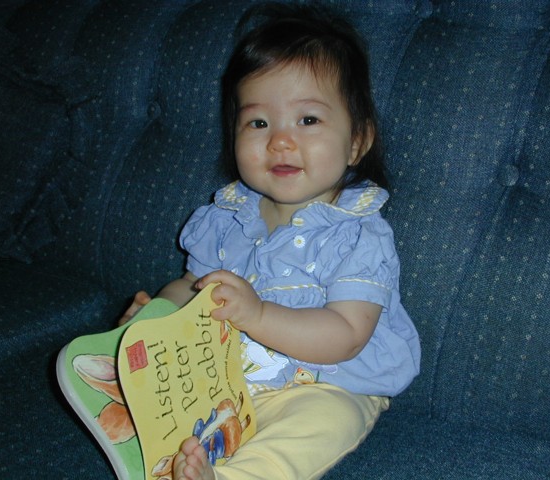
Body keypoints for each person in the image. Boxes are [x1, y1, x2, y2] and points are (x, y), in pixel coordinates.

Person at [120, 3, 421, 479]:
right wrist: (159, 317)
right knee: (150, 388)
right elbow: (191, 287)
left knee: (322, 424)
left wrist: (257, 315)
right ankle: (173, 456)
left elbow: (346, 334)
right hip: (227, 377)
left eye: (308, 120)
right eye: (259, 123)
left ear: (358, 141)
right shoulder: (224, 220)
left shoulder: (358, 233)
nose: (280, 141)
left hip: (328, 382)